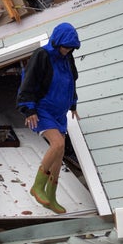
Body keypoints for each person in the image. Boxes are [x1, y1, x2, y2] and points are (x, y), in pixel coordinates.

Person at [16, 22, 81, 214]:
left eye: (70, 48)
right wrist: (28, 109)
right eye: (64, 46)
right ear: (56, 41)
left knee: (59, 155)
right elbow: (27, 81)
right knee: (58, 144)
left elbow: (71, 83)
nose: (67, 50)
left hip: (59, 113)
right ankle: (37, 187)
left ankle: (51, 196)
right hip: (42, 109)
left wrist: (73, 104)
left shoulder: (68, 58)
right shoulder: (42, 55)